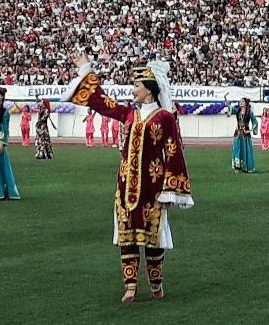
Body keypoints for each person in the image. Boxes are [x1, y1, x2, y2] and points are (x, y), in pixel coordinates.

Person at [63, 53, 193, 303]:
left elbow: (174, 152)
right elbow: (101, 102)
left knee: (154, 238)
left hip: (153, 188)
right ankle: (130, 286)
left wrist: (170, 189)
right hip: (125, 187)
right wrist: (85, 69)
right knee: (127, 235)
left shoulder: (165, 118)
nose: (133, 90)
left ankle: (156, 284)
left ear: (150, 91)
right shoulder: (129, 114)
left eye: (137, 86)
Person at [226, 97, 259, 172]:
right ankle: (237, 166)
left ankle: (246, 167)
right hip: (237, 133)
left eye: (242, 101)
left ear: (246, 103)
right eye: (240, 101)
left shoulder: (249, 112)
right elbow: (230, 110)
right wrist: (228, 104)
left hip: (245, 134)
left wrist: (250, 130)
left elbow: (255, 122)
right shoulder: (238, 111)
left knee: (245, 150)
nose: (240, 102)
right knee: (237, 149)